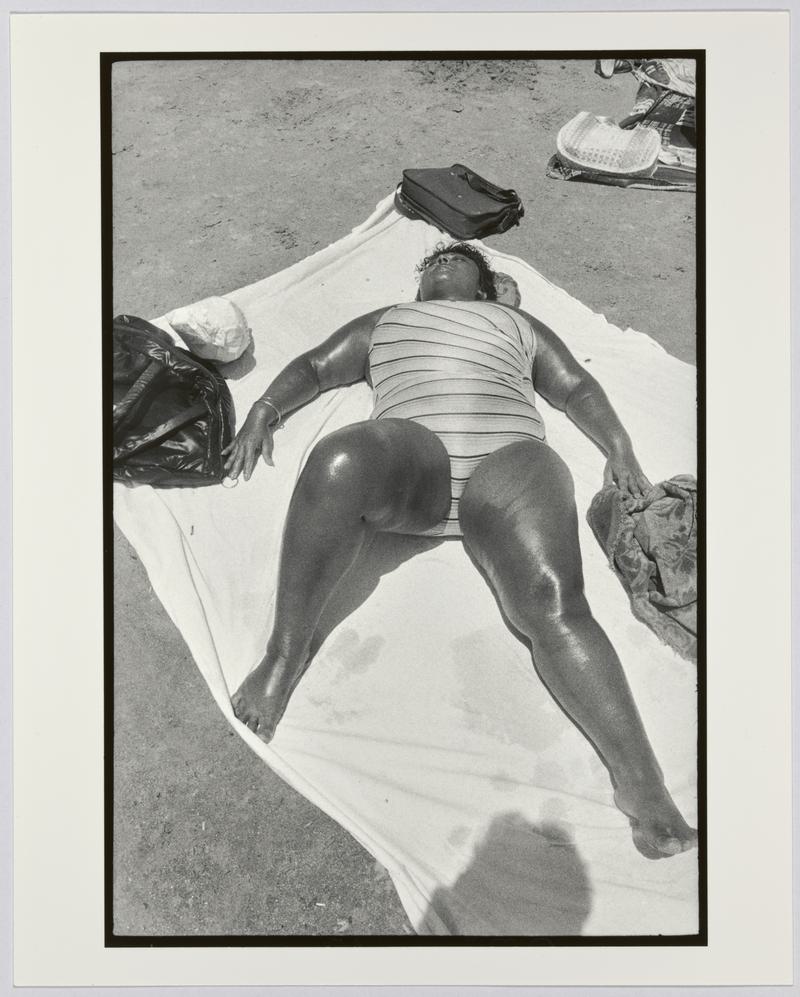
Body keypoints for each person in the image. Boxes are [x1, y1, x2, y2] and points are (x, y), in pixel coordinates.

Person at [222, 242, 697, 861]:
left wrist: (620, 448)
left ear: (488, 283)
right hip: (415, 463)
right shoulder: (386, 321)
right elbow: (315, 369)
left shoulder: (516, 323)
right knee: (337, 461)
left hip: (509, 463)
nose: (440, 263)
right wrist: (263, 410)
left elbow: (574, 387)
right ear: (418, 285)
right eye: (430, 263)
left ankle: (643, 786)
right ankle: (283, 658)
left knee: (552, 599)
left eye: (457, 259)